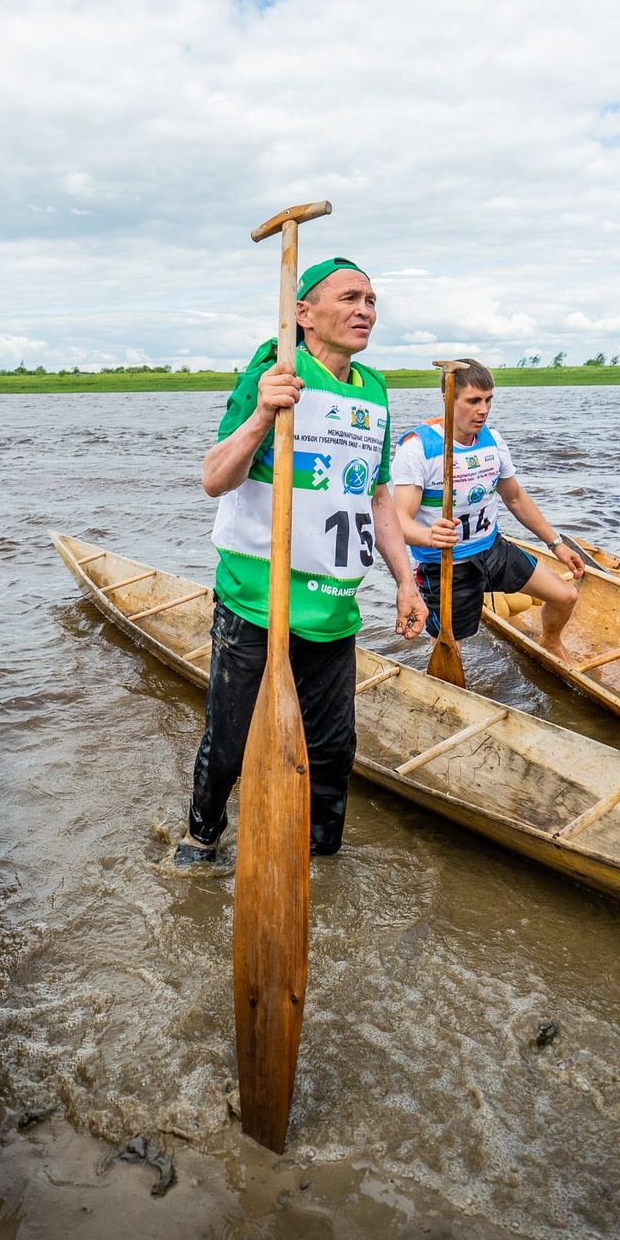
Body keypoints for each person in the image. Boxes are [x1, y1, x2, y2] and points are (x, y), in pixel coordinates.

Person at [176, 256, 427, 871]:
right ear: (304, 313)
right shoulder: (274, 370)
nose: (365, 310)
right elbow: (214, 478)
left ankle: (320, 859)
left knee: (334, 751)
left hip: (333, 608)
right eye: (349, 298)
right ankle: (202, 839)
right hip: (257, 601)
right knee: (229, 744)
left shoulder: (374, 389)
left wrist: (406, 580)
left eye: (371, 300)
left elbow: (377, 496)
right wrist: (263, 414)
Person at [388, 359, 584, 656]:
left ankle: (551, 642)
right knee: (449, 650)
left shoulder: (492, 441)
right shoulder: (418, 448)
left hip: (493, 550)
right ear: (448, 398)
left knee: (566, 596)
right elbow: (398, 520)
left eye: (488, 400)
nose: (483, 410)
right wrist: (429, 536)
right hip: (446, 564)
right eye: (473, 401)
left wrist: (556, 544)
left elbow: (515, 497)